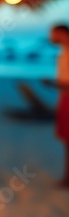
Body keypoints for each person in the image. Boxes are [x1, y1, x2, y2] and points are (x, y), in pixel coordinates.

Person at [47, 25, 69, 188]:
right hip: (63, 98)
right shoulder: (63, 53)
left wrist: (53, 83)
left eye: (53, 34)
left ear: (62, 33)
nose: (50, 37)